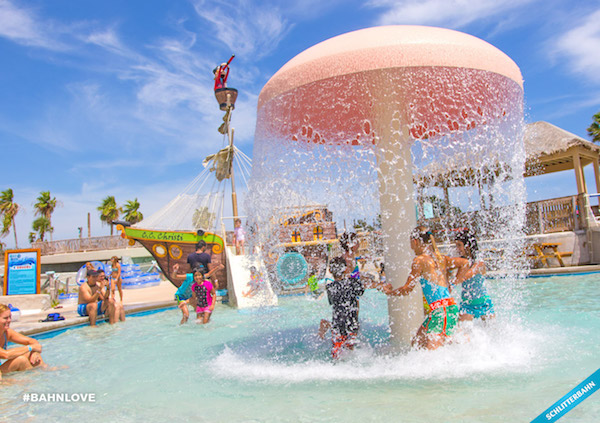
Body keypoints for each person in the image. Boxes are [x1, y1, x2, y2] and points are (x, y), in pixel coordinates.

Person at [382, 226, 470, 350]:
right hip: (447, 308)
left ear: (415, 241)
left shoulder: (419, 261)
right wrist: (453, 284)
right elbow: (465, 263)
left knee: (431, 355)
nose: (411, 247)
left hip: (440, 312)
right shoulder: (440, 258)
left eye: (411, 243)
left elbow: (407, 289)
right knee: (417, 345)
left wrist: (390, 292)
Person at [319, 257, 365, 359]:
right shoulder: (352, 283)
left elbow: (334, 304)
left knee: (337, 354)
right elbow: (361, 292)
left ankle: (326, 325)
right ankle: (326, 324)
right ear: (345, 269)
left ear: (330, 271)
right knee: (350, 350)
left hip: (338, 325)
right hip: (352, 323)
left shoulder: (330, 288)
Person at [453, 229, 495, 321]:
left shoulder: (479, 262)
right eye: (456, 246)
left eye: (459, 245)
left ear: (468, 246)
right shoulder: (462, 261)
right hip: (467, 304)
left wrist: (451, 282)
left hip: (483, 303)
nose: (457, 249)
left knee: (491, 332)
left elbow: (464, 276)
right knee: (461, 333)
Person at [0, 303, 46, 378]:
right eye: (5, 318)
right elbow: (6, 354)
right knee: (21, 360)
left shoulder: (6, 332)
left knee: (29, 353)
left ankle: (44, 370)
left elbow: (32, 341)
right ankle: (35, 379)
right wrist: (31, 347)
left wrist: (35, 352)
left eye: (10, 317)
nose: (9, 320)